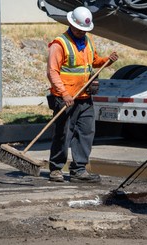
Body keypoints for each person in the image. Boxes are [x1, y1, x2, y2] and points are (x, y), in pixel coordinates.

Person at [47, 6, 118, 183]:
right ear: (72, 24)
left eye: (84, 30)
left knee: (86, 132)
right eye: (79, 29)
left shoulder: (87, 41)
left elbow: (93, 62)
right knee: (63, 134)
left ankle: (78, 169)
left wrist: (106, 61)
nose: (81, 32)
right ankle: (56, 168)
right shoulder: (60, 44)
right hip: (65, 99)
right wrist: (64, 93)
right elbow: (52, 72)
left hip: (85, 97)